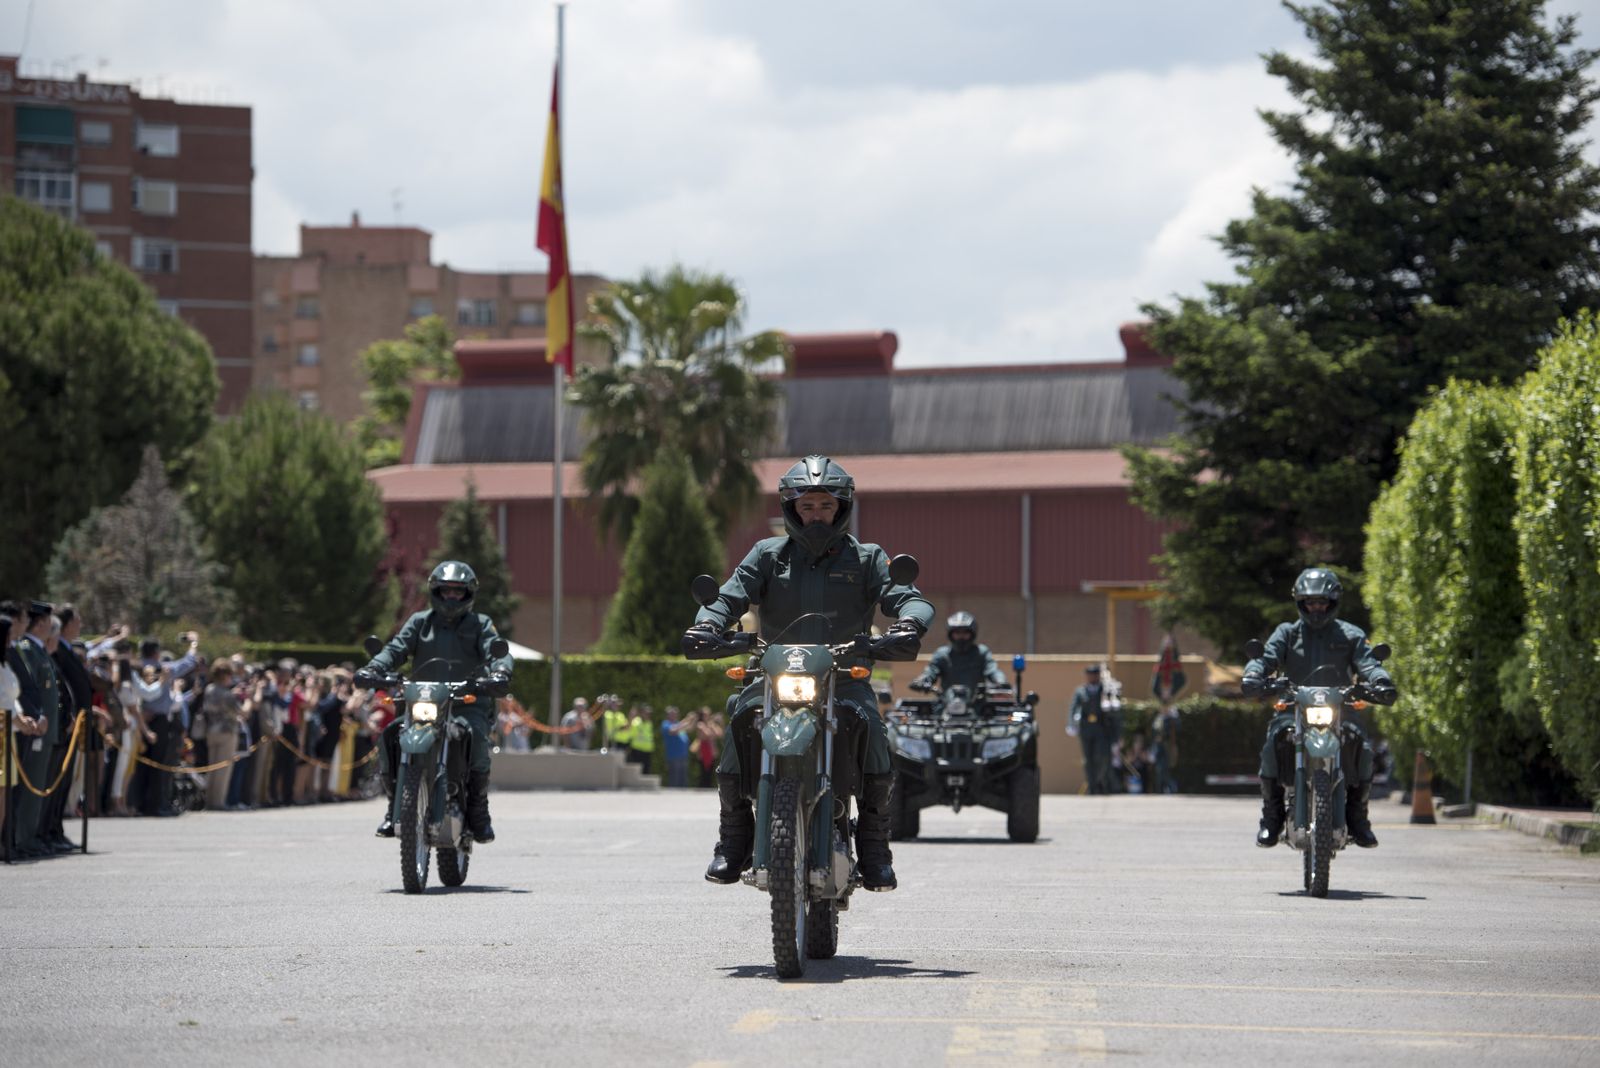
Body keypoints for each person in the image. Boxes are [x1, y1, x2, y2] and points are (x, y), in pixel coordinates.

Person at [684, 454, 934, 892]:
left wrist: (910, 620)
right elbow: (729, 596)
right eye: (807, 507)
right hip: (773, 676)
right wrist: (708, 622)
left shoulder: (868, 557)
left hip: (845, 676)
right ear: (791, 509)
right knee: (739, 716)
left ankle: (875, 846)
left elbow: (905, 595)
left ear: (841, 508)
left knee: (872, 728)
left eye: (825, 506)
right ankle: (734, 838)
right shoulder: (767, 555)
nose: (816, 515)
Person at [356, 560, 513, 843]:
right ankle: (395, 807)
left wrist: (500, 670)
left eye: (458, 592)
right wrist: (374, 668)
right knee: (391, 734)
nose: (451, 597)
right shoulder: (420, 622)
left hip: (466, 702)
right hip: (421, 702)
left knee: (476, 737)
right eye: (445, 591)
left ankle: (478, 810)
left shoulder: (480, 624)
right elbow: (395, 649)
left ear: (468, 594)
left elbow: (496, 649)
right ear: (435, 592)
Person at [1242, 567, 1397, 849]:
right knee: (1272, 744)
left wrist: (1380, 680)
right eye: (1311, 602)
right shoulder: (1287, 633)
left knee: (1362, 747)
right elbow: (1266, 657)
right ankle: (1272, 817)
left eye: (1322, 602)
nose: (1316, 608)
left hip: (1342, 709)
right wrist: (1254, 673)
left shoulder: (1350, 634)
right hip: (1293, 707)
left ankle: (1358, 816)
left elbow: (1368, 663)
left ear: (1333, 602)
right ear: (1300, 603)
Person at [909, 611, 1006, 695]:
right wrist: (922, 680)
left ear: (972, 634)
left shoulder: (981, 652)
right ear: (951, 634)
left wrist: (1000, 681)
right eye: (957, 633)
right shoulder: (942, 654)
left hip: (977, 705)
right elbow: (931, 671)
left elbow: (993, 670)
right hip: (946, 705)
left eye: (965, 633)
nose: (961, 637)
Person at [1069, 664, 1113, 794]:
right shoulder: (1081, 691)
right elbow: (1073, 707)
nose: (1092, 677)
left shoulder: (1105, 689)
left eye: (1095, 675)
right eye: (1090, 675)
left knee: (1101, 757)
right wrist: (1071, 724)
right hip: (1086, 728)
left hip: (1100, 728)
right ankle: (1092, 786)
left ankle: (1101, 783)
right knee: (1088, 759)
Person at [661, 706, 692, 788]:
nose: (675, 715)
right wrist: (686, 719)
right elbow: (673, 731)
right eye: (673, 714)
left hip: (683, 756)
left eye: (676, 714)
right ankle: (672, 797)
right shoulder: (666, 724)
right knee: (674, 779)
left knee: (683, 779)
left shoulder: (678, 723)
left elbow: (690, 728)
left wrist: (693, 719)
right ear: (668, 715)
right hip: (674, 756)